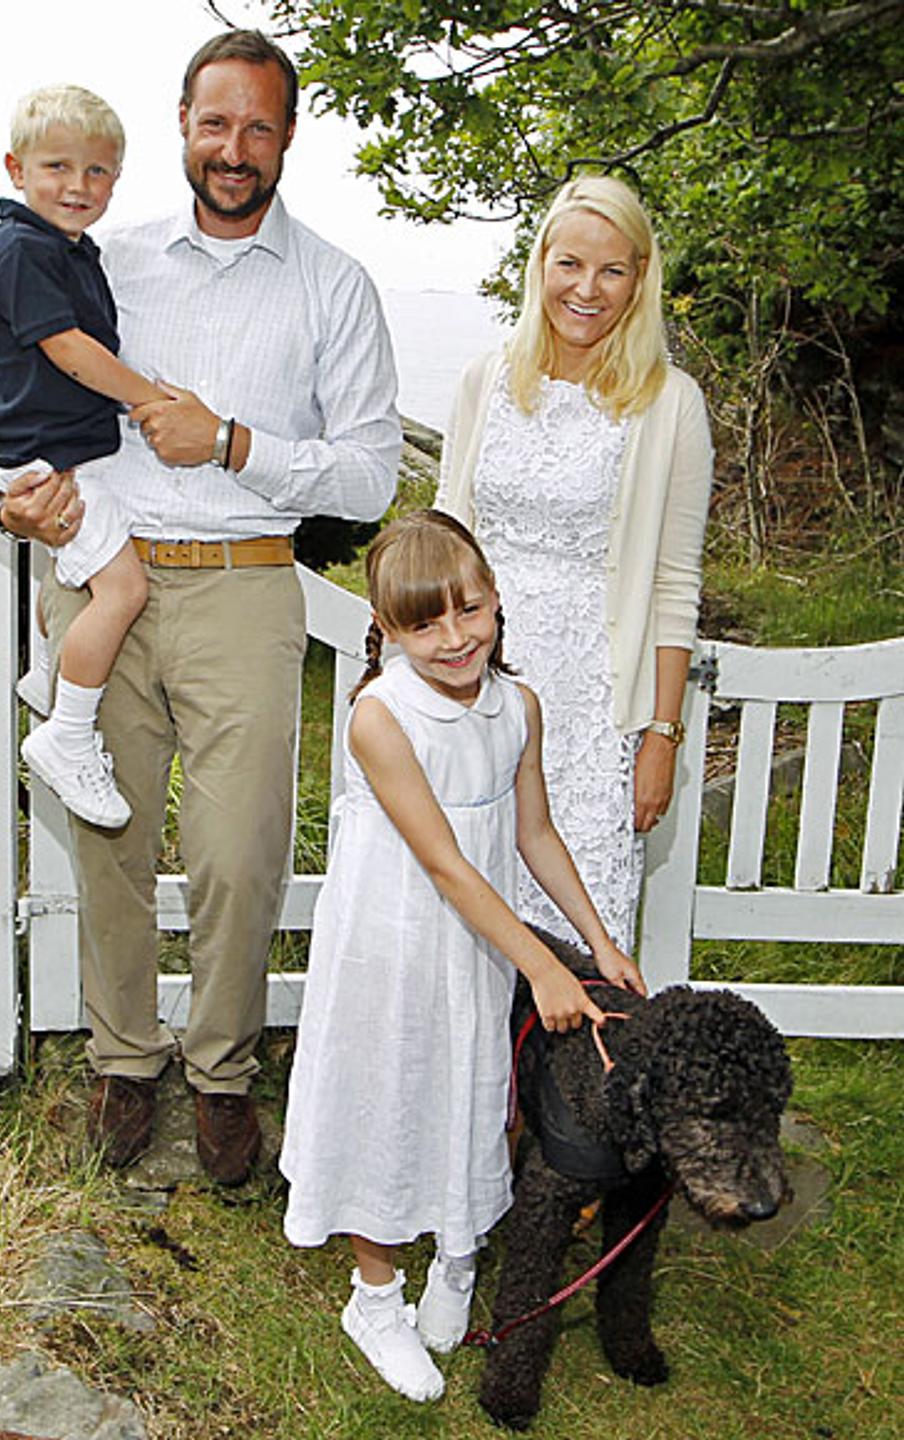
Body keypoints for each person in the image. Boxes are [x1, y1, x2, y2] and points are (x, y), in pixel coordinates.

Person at [0, 31, 401, 1182]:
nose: (235, 148)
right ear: (181, 123)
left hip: (245, 583)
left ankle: (222, 1072)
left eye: (258, 127)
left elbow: (371, 475)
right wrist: (25, 499)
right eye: (216, 123)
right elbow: (28, 387)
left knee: (239, 851)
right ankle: (125, 1060)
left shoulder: (334, 285)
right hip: (106, 582)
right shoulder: (103, 261)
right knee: (107, 838)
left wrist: (232, 442)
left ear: (288, 138)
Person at [279, 511, 645, 1403]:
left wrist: (597, 944)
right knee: (389, 1093)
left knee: (474, 1090)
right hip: (392, 940)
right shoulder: (380, 718)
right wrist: (540, 967)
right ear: (387, 628)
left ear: (494, 599)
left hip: (474, 944)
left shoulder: (517, 707)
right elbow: (444, 864)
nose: (454, 639)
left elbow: (535, 833)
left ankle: (456, 1250)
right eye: (424, 624)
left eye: (468, 611)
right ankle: (374, 1294)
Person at [437, 175, 713, 955]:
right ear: (541, 265)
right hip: (471, 687)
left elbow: (674, 586)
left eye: (611, 270)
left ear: (640, 279)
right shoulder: (485, 381)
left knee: (579, 946)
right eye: (570, 264)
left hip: (592, 713)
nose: (586, 290)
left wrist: (661, 736)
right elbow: (444, 541)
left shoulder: (671, 404)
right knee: (460, 925)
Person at [0, 84, 173, 829]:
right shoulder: (22, 251)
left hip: (68, 453)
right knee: (122, 591)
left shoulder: (66, 249)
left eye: (96, 171)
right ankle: (66, 731)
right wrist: (149, 400)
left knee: (89, 566)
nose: (77, 185)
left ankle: (48, 674)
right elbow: (69, 350)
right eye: (56, 166)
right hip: (46, 462)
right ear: (16, 169)